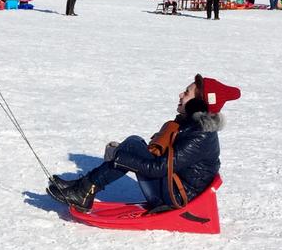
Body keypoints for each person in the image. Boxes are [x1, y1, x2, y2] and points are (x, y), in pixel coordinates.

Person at [47, 75, 240, 212]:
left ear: (198, 104)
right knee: (133, 143)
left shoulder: (200, 136)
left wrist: (123, 159)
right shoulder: (191, 124)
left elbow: (158, 169)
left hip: (176, 197)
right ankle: (82, 187)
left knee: (129, 151)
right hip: (174, 184)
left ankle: (83, 191)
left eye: (187, 93)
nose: (181, 94)